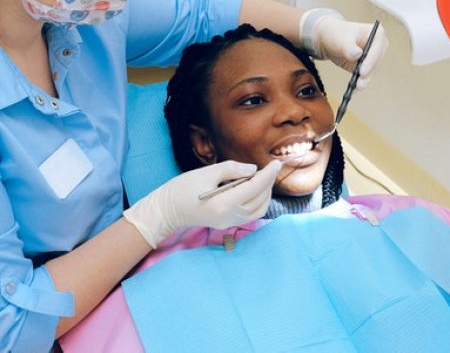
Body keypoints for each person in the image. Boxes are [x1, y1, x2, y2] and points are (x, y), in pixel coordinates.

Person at [0, 0, 388, 349]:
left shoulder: (83, 15)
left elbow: (201, 10)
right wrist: (156, 219)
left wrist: (318, 29)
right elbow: (13, 327)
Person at [60, 24, 449, 352]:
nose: (295, 111)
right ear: (203, 143)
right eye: (253, 100)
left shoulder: (416, 221)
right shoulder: (152, 294)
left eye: (307, 90)